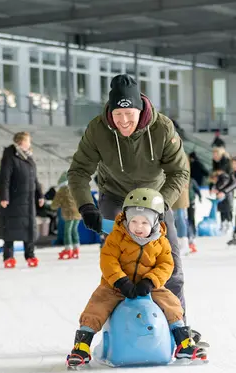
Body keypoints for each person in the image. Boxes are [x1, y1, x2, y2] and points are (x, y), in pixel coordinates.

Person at [67, 74, 198, 338]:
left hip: (156, 200)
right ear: (110, 112)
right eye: (117, 114)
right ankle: (118, 330)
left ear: (140, 109)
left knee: (169, 263)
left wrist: (161, 206)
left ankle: (180, 328)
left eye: (129, 114)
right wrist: (86, 207)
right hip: (114, 196)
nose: (124, 121)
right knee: (116, 264)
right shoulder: (97, 129)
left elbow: (180, 172)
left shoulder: (162, 128)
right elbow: (79, 171)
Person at [65, 188, 206, 368]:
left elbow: (166, 265)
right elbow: (108, 259)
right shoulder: (117, 236)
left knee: (172, 303)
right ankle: (82, 346)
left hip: (149, 286)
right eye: (134, 221)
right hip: (114, 286)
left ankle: (184, 343)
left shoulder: (161, 241)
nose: (138, 227)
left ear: (155, 222)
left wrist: (150, 281)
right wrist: (120, 281)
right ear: (125, 219)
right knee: (97, 305)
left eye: (144, 222)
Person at [0, 131, 44, 268]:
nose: (29, 143)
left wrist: (40, 195)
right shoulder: (10, 156)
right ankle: (8, 257)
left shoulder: (29, 158)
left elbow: (35, 179)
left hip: (29, 200)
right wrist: (4, 197)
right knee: (11, 228)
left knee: (29, 228)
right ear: (21, 142)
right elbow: (5, 178)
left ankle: (30, 255)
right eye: (28, 141)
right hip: (14, 199)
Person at [51, 176, 81, 260]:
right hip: (78, 213)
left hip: (69, 213)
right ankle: (76, 249)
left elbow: (54, 204)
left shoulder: (62, 189)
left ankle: (68, 250)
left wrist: (53, 205)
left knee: (67, 232)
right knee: (74, 231)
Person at [212, 146, 233, 232]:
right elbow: (215, 174)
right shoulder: (216, 162)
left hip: (227, 186)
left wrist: (218, 174)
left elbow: (225, 174)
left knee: (227, 205)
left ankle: (229, 222)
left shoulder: (226, 160)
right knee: (220, 205)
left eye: (215, 154)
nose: (214, 156)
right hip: (219, 186)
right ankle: (223, 223)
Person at [187, 177, 202, 253]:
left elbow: (197, 190)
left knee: (191, 219)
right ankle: (187, 236)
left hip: (191, 202)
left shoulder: (192, 181)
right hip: (182, 205)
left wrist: (200, 197)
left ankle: (193, 234)